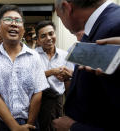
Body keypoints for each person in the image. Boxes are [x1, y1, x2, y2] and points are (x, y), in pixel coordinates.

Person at [53, 0, 120, 130]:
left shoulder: (114, 27)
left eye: (59, 16)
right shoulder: (101, 26)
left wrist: (73, 127)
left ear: (67, 8)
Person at [0, 4, 49, 131]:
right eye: (8, 20)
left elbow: (38, 92)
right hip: (5, 123)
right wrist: (14, 127)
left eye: (18, 21)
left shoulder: (34, 56)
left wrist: (29, 124)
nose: (14, 24)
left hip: (31, 120)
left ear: (23, 30)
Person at [35, 20, 74, 131]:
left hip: (58, 101)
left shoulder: (64, 55)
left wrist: (69, 107)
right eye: (43, 36)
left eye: (51, 34)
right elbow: (31, 78)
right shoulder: (33, 55)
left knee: (58, 127)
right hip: (39, 101)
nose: (48, 38)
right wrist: (52, 72)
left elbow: (68, 83)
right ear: (38, 40)